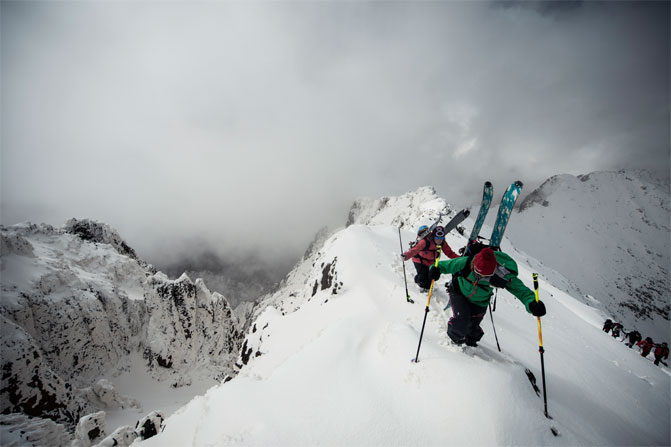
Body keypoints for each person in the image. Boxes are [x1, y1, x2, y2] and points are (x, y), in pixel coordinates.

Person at [428, 246, 546, 347]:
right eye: (477, 273)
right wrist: (434, 270)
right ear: (474, 264)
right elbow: (441, 266)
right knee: (461, 322)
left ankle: (469, 343)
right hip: (459, 293)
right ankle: (453, 344)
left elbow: (520, 290)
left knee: (473, 333)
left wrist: (532, 303)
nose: (480, 277)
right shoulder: (465, 262)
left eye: (487, 275)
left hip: (480, 302)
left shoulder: (501, 274)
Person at [403, 225, 459, 292]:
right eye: (437, 238)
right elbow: (414, 250)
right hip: (419, 260)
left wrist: (460, 259)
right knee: (423, 281)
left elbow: (450, 253)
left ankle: (422, 279)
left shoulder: (443, 242)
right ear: (433, 236)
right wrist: (406, 256)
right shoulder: (425, 242)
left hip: (430, 262)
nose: (439, 240)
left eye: (441, 238)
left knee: (430, 279)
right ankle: (417, 279)